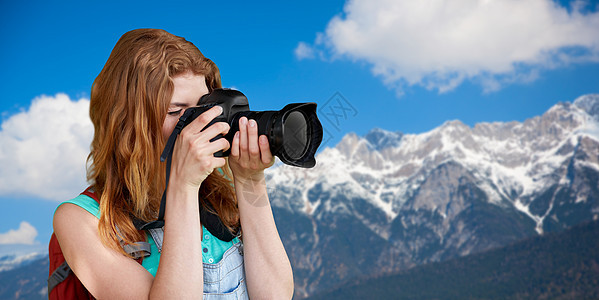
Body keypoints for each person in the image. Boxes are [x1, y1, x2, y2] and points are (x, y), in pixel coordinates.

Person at [52, 28, 294, 299]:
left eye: (203, 108)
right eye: (176, 112)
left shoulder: (219, 197)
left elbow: (276, 296)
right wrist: (183, 186)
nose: (197, 123)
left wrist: (250, 181)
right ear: (127, 123)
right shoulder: (82, 220)